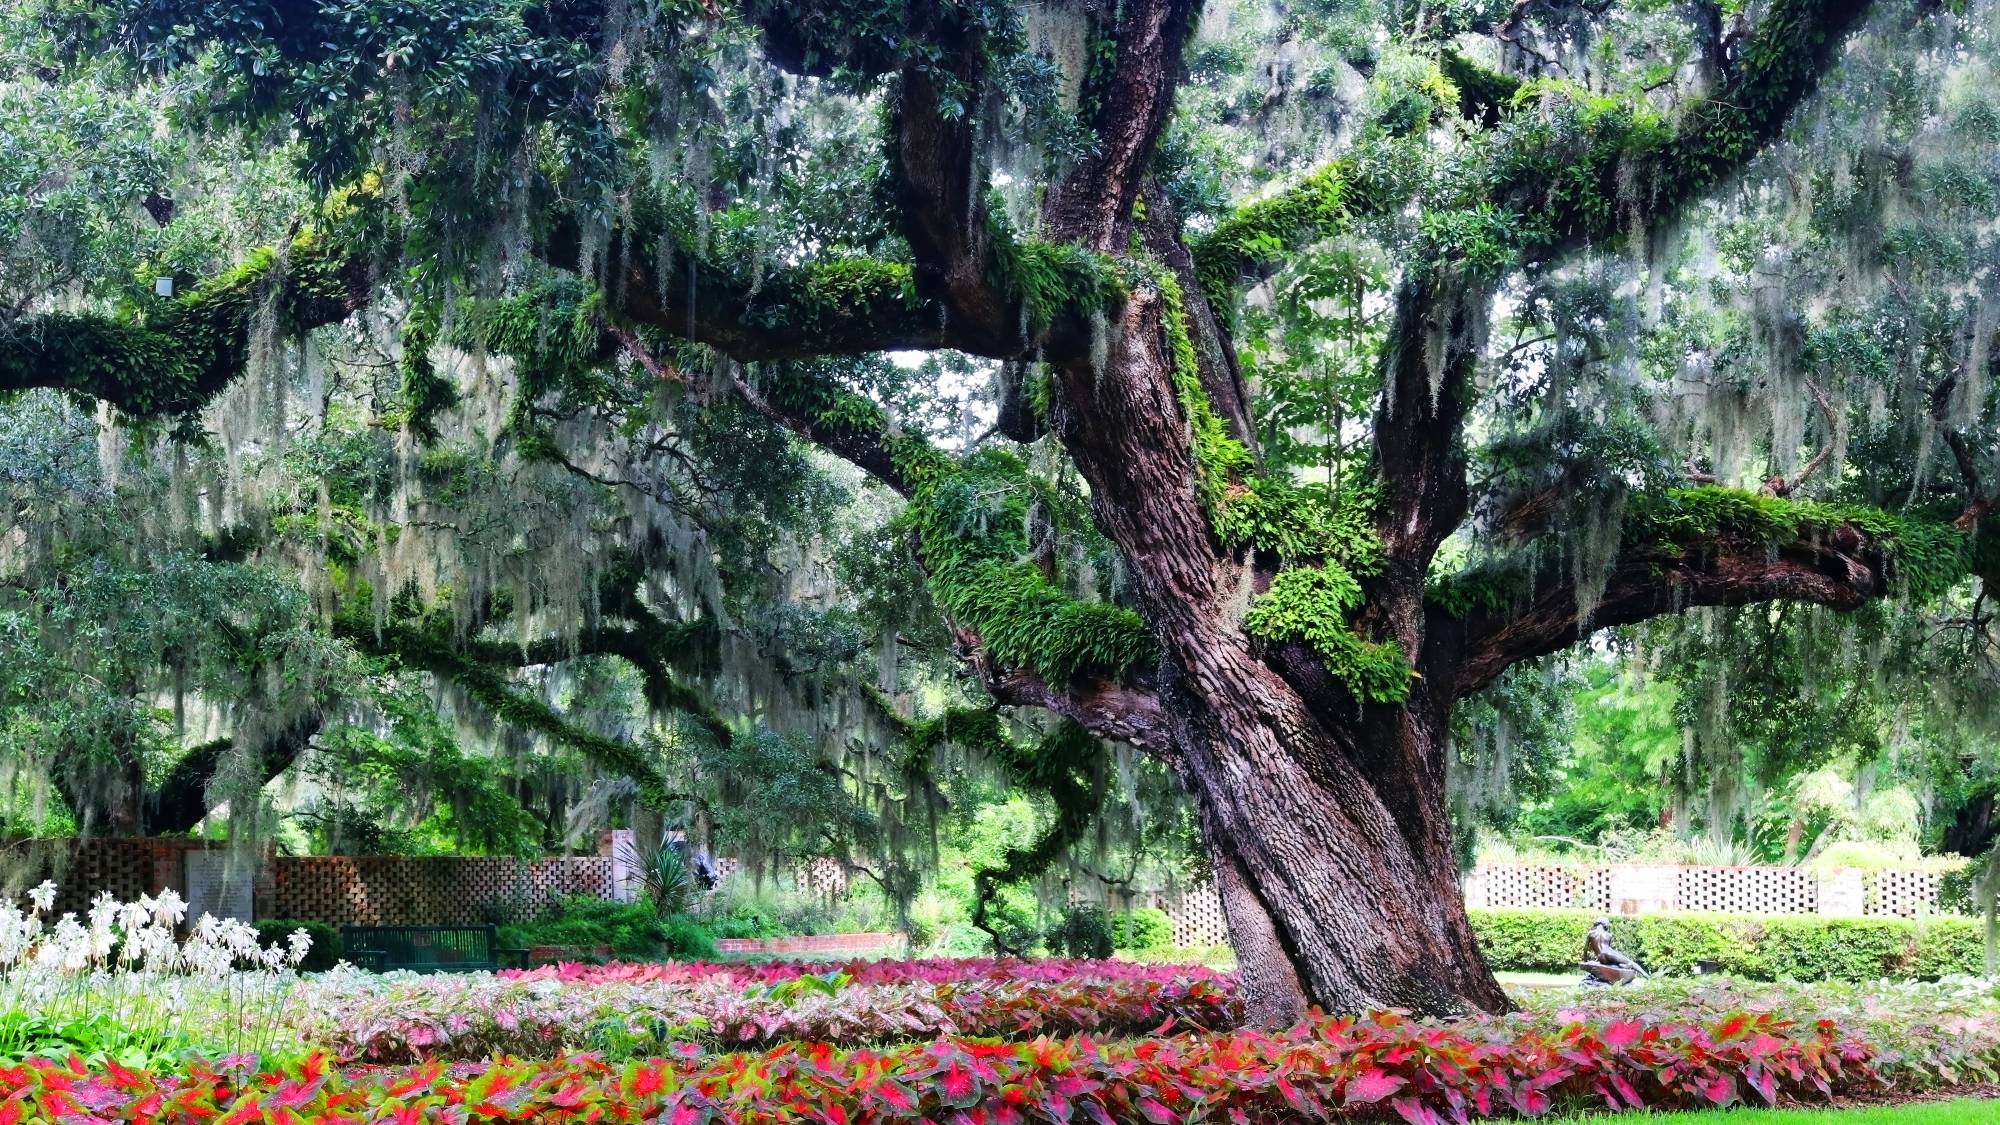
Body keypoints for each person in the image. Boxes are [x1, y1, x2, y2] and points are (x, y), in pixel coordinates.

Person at [1580, 917, 1648, 986]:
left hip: (1601, 958)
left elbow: (1585, 949)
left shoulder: (1591, 933)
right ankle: (1647, 976)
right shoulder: (1608, 935)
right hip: (1608, 953)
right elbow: (1608, 948)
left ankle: (1624, 966)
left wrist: (1585, 961)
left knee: (1613, 964)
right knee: (1631, 963)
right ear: (1605, 924)